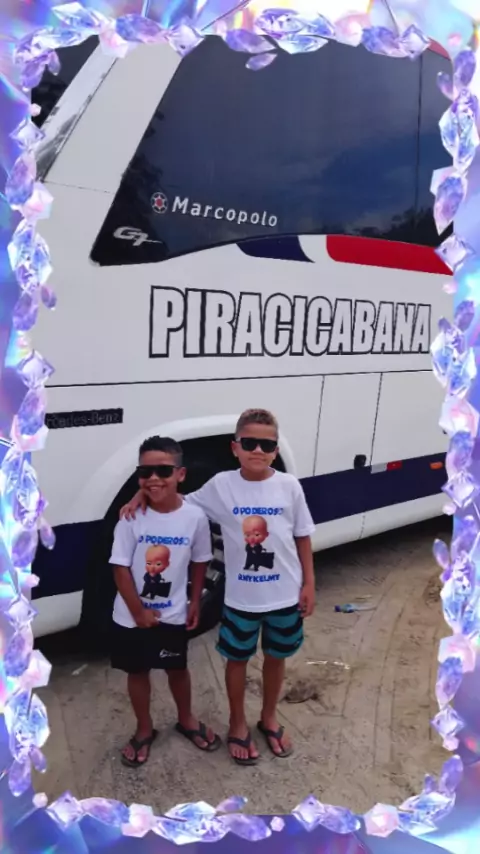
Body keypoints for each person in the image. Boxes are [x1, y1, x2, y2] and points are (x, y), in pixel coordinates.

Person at [121, 410, 316, 765]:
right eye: (249, 443)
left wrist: (309, 584)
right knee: (236, 661)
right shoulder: (220, 486)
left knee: (276, 659)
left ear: (276, 450)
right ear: (234, 447)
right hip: (241, 600)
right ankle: (237, 723)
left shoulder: (290, 486)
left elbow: (302, 536)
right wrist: (141, 495)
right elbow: (174, 496)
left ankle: (269, 718)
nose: (258, 451)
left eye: (267, 445)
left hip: (285, 596)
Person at [110, 435, 221, 768]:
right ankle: (144, 729)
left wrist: (195, 600)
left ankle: (186, 719)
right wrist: (138, 611)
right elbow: (119, 568)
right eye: (145, 472)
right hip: (129, 616)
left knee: (177, 668)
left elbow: (201, 560)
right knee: (137, 671)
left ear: (181, 474)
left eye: (163, 470)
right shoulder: (131, 517)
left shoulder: (195, 517)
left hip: (172, 613)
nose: (154, 478)